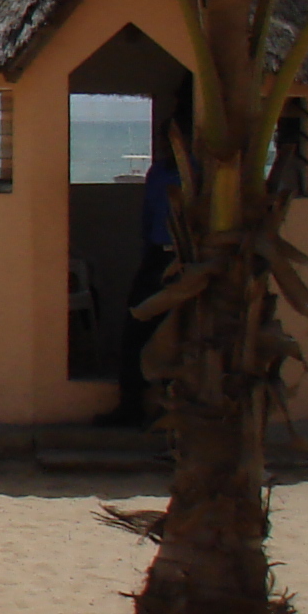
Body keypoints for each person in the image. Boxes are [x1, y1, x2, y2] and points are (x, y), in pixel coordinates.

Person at [109, 84, 195, 428]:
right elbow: (148, 219)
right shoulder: (158, 173)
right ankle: (130, 406)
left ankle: (177, 413)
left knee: (183, 337)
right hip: (156, 259)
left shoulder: (200, 176)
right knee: (136, 329)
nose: (168, 146)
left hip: (188, 261)